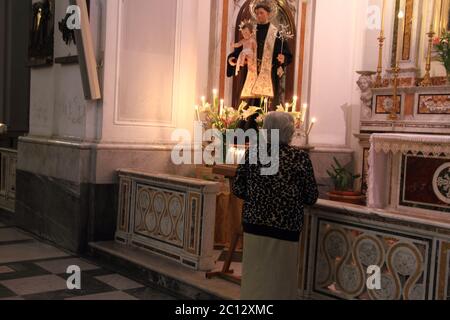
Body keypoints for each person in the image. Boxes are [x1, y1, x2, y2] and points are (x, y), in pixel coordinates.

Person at [232, 112, 319, 300]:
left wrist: (258, 198)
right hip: (286, 228)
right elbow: (311, 196)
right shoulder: (299, 158)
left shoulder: (254, 153)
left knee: (255, 280)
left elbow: (238, 188)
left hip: (255, 225)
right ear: (289, 131)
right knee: (280, 283)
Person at [227, 0, 293, 108]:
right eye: (257, 13)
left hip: (269, 74)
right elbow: (242, 48)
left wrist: (283, 58)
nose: (258, 15)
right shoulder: (251, 32)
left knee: (267, 105)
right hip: (251, 72)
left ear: (269, 14)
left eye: (261, 13)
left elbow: (287, 54)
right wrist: (233, 58)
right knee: (249, 104)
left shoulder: (276, 33)